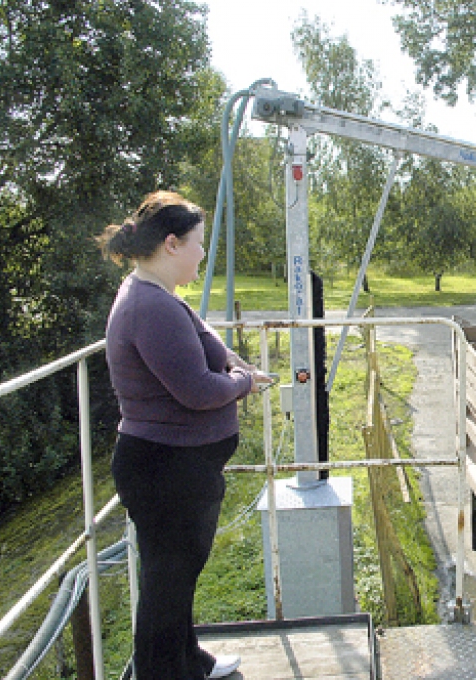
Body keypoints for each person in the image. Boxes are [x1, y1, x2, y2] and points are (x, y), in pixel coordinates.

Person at [97, 191, 270, 680]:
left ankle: (187, 661)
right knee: (166, 584)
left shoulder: (155, 295)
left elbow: (200, 333)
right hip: (165, 469)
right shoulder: (149, 307)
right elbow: (195, 390)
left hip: (174, 466)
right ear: (171, 244)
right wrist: (245, 383)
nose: (201, 253)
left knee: (175, 580)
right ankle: (162, 672)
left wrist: (231, 359)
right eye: (196, 243)